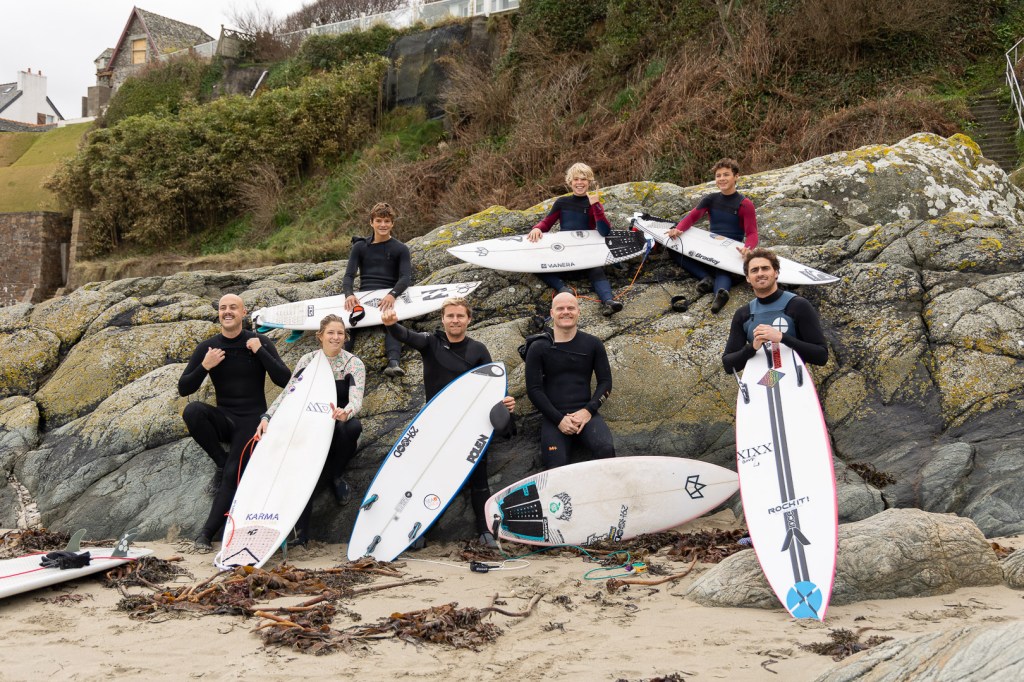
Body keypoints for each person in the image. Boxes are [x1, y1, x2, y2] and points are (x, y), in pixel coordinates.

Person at [382, 299, 515, 548]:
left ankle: (485, 530)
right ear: (442, 319)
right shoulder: (431, 343)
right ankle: (418, 529)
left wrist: (504, 402)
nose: (455, 320)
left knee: (478, 477)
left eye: (460, 316)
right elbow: (406, 335)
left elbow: (490, 387)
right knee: (428, 477)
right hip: (436, 424)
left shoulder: (478, 350)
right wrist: (392, 325)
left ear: (468, 320)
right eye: (450, 316)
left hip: (471, 424)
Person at [178, 293, 291, 551]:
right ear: (219, 313)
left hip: (252, 422)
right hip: (225, 417)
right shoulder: (209, 348)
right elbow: (184, 388)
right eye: (222, 308)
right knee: (193, 411)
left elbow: (285, 380)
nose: (227, 312)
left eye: (233, 308)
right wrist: (205, 366)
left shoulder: (258, 341)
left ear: (243, 312)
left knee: (234, 471)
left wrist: (260, 352)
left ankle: (206, 535)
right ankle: (220, 460)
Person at [254, 314, 365, 547]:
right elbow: (288, 394)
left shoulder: (353, 363)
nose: (336, 337)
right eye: (331, 333)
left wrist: (346, 411)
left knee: (353, 427)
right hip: (310, 426)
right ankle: (300, 535)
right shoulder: (308, 360)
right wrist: (267, 417)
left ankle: (336, 475)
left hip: (337, 425)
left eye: (340, 333)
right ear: (320, 336)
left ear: (345, 337)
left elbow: (357, 399)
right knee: (302, 471)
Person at [525, 291, 615, 470]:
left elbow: (605, 382)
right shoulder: (538, 347)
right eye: (560, 308)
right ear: (552, 313)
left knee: (606, 450)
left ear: (578, 311)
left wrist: (588, 411)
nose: (566, 312)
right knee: (555, 465)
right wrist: (559, 419)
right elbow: (534, 390)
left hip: (587, 415)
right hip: (554, 419)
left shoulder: (593, 344)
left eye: (571, 308)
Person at [526, 162, 624, 317]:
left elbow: (604, 231)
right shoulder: (562, 203)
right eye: (576, 179)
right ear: (570, 182)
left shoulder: (594, 203)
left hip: (585, 256)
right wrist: (537, 228)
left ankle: (609, 302)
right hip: (565, 254)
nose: (580, 183)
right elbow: (547, 222)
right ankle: (563, 288)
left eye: (584, 179)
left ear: (589, 182)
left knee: (596, 270)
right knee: (536, 266)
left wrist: (596, 206)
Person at [667, 158, 759, 314]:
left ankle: (720, 296)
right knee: (674, 249)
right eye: (718, 175)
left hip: (731, 247)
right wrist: (678, 229)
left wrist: (747, 248)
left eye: (726, 174)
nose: (721, 178)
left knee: (722, 269)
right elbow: (692, 217)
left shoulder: (745, 204)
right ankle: (706, 278)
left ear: (736, 176)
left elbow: (752, 233)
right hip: (711, 243)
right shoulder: (710, 199)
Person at [722, 248, 829, 373]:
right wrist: (753, 347)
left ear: (776, 273)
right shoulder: (743, 314)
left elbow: (821, 356)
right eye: (754, 270)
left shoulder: (798, 305)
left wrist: (782, 337)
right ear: (748, 278)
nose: (760, 273)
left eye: (765, 268)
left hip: (794, 385)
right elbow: (728, 365)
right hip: (762, 385)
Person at [343, 202, 412, 377]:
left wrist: (392, 294)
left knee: (393, 323)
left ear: (392, 224)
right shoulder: (360, 247)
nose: (383, 225)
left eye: (387, 221)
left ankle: (394, 364)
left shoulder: (401, 249)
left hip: (387, 297)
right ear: (371, 222)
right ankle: (339, 364)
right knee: (349, 326)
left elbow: (405, 277)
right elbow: (349, 275)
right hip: (363, 296)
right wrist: (349, 295)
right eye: (379, 221)